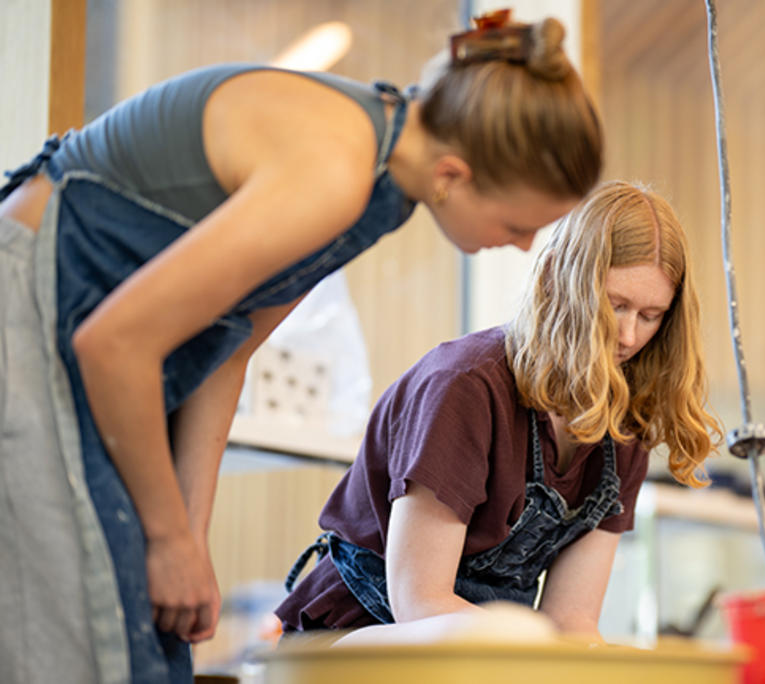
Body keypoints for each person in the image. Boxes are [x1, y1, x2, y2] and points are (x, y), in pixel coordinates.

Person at [0, 11, 601, 684]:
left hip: (95, 342)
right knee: (83, 645)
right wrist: (167, 539)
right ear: (454, 174)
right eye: (519, 224)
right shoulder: (335, 169)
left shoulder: (380, 183)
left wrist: (189, 541)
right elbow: (114, 344)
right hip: (29, 311)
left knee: (154, 634)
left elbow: (228, 351)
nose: (522, 247)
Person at [275, 180, 722, 642]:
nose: (628, 336)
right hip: (360, 634)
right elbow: (421, 603)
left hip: (486, 651)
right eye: (614, 306)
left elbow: (571, 623)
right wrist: (531, 647)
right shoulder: (466, 387)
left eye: (650, 316)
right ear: (561, 283)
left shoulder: (625, 427)